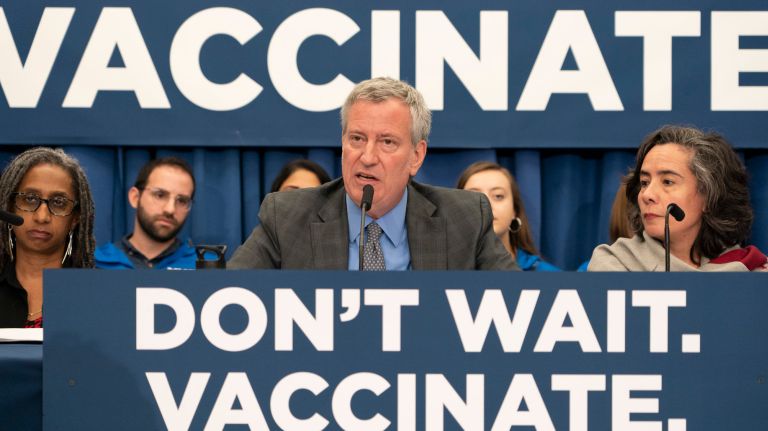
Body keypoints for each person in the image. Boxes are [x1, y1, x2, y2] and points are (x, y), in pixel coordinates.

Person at [229, 77, 517, 270]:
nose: (367, 157)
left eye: (387, 142)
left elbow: (520, 308)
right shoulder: (288, 218)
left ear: (416, 156)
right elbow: (224, 299)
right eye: (356, 139)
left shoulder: (464, 219)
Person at [588, 125, 768, 271]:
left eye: (667, 182)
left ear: (709, 197)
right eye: (644, 182)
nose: (647, 195)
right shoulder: (614, 264)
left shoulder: (751, 271)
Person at [0, 147, 96, 328]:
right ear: (10, 207)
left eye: (59, 202)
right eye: (29, 198)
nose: (42, 217)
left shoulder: (99, 293)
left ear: (75, 219)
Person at [95, 157, 196, 269]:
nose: (170, 209)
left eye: (182, 201)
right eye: (160, 195)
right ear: (135, 197)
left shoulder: (204, 267)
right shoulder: (93, 264)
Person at [457, 161, 560, 271]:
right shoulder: (440, 271)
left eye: (498, 196)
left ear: (514, 211)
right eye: (473, 197)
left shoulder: (548, 276)